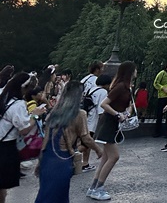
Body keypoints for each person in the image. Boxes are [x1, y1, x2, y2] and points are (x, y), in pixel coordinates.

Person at [34, 80, 103, 203]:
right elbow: (86, 138)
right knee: (59, 196)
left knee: (45, 194)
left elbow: (46, 139)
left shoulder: (53, 112)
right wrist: (98, 149)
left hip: (47, 158)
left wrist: (39, 162)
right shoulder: (80, 114)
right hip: (63, 158)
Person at [88, 60, 137, 201]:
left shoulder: (126, 87)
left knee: (106, 157)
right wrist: (117, 114)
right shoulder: (121, 86)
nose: (136, 72)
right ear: (130, 72)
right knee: (114, 157)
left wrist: (126, 113)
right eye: (134, 70)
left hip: (112, 124)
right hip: (109, 124)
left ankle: (94, 187)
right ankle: (98, 188)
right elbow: (104, 104)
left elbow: (128, 105)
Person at [1, 72, 48, 203]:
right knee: (2, 187)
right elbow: (24, 129)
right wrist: (35, 115)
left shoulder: (3, 98)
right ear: (24, 88)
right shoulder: (18, 105)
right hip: (6, 147)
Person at [81, 73, 111, 173]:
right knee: (86, 143)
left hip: (85, 117)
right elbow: (101, 110)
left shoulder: (91, 89)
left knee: (85, 142)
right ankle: (74, 155)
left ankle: (85, 162)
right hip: (92, 121)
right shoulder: (103, 92)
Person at [152, 61, 167, 138]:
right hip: (162, 96)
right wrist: (162, 88)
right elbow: (156, 83)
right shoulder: (162, 73)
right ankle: (157, 132)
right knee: (160, 114)